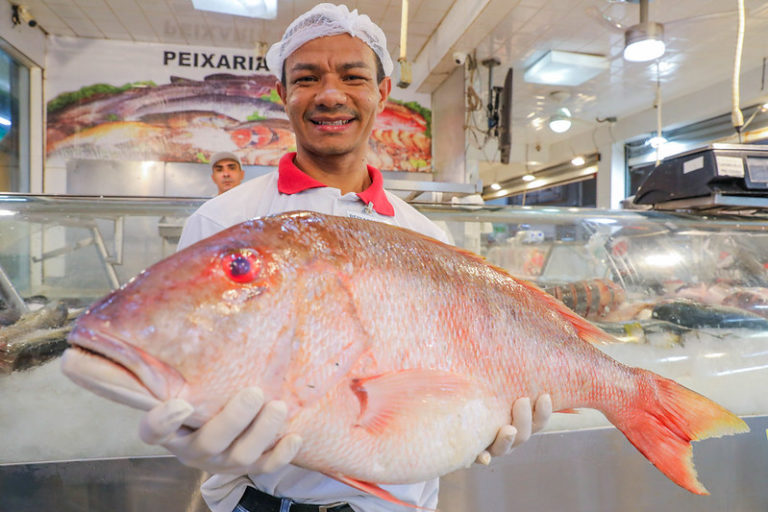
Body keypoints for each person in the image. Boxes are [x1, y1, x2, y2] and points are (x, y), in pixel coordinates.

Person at [138, 4, 552, 512]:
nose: (330, 95)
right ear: (283, 94)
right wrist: (188, 423)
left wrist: (480, 417)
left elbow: (451, 367)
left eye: (352, 76)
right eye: (307, 78)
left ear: (381, 93)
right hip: (255, 502)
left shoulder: (424, 234)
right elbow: (187, 359)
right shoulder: (222, 222)